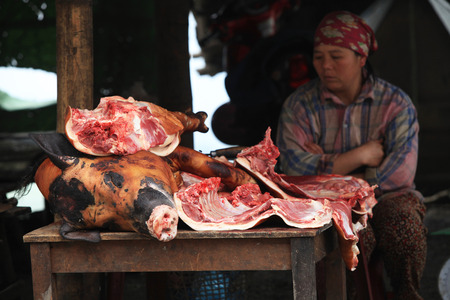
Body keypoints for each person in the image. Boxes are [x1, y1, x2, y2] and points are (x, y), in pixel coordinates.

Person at [276, 11, 427, 300]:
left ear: (361, 58)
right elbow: (293, 169)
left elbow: (400, 175)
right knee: (349, 238)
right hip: (326, 204)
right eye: (319, 57)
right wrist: (362, 155)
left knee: (403, 226)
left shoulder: (396, 104)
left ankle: (408, 293)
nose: (325, 66)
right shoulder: (299, 106)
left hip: (389, 198)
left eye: (336, 56)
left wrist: (330, 168)